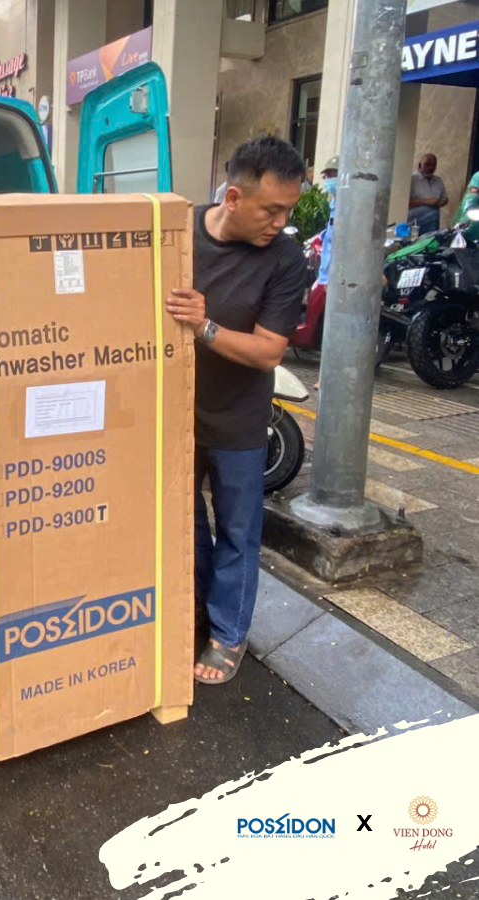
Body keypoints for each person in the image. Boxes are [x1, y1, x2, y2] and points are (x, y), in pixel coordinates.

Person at [165, 135, 308, 686]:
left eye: (288, 210)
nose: (281, 222)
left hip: (239, 418)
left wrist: (204, 326)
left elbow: (269, 351)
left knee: (238, 530)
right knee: (182, 521)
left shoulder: (285, 260)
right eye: (271, 209)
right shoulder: (178, 233)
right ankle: (197, 607)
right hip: (174, 412)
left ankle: (228, 634)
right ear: (232, 197)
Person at [312, 156, 338, 392]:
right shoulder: (335, 203)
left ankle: (330, 377)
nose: (327, 180)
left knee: (335, 330)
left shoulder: (349, 205)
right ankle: (327, 376)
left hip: (340, 278)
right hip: (330, 276)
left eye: (331, 175)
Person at [409, 153, 448, 235]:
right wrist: (425, 201)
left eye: (433, 165)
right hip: (414, 223)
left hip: (433, 223)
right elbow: (403, 202)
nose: (431, 167)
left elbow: (445, 198)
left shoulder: (438, 180)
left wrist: (441, 201)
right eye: (427, 164)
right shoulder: (411, 179)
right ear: (420, 165)